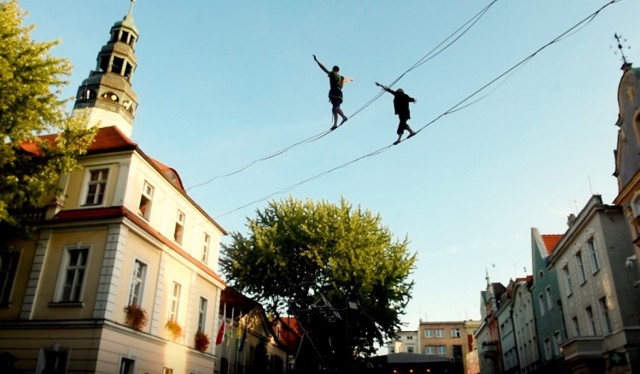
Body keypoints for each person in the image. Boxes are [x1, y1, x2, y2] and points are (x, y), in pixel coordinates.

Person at [314, 55, 352, 130]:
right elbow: (344, 81)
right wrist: (350, 80)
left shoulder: (332, 74)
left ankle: (343, 117)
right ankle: (335, 124)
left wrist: (317, 61)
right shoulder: (341, 77)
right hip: (339, 94)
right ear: (338, 71)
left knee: (335, 107)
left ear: (333, 70)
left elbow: (323, 68)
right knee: (334, 109)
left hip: (334, 92)